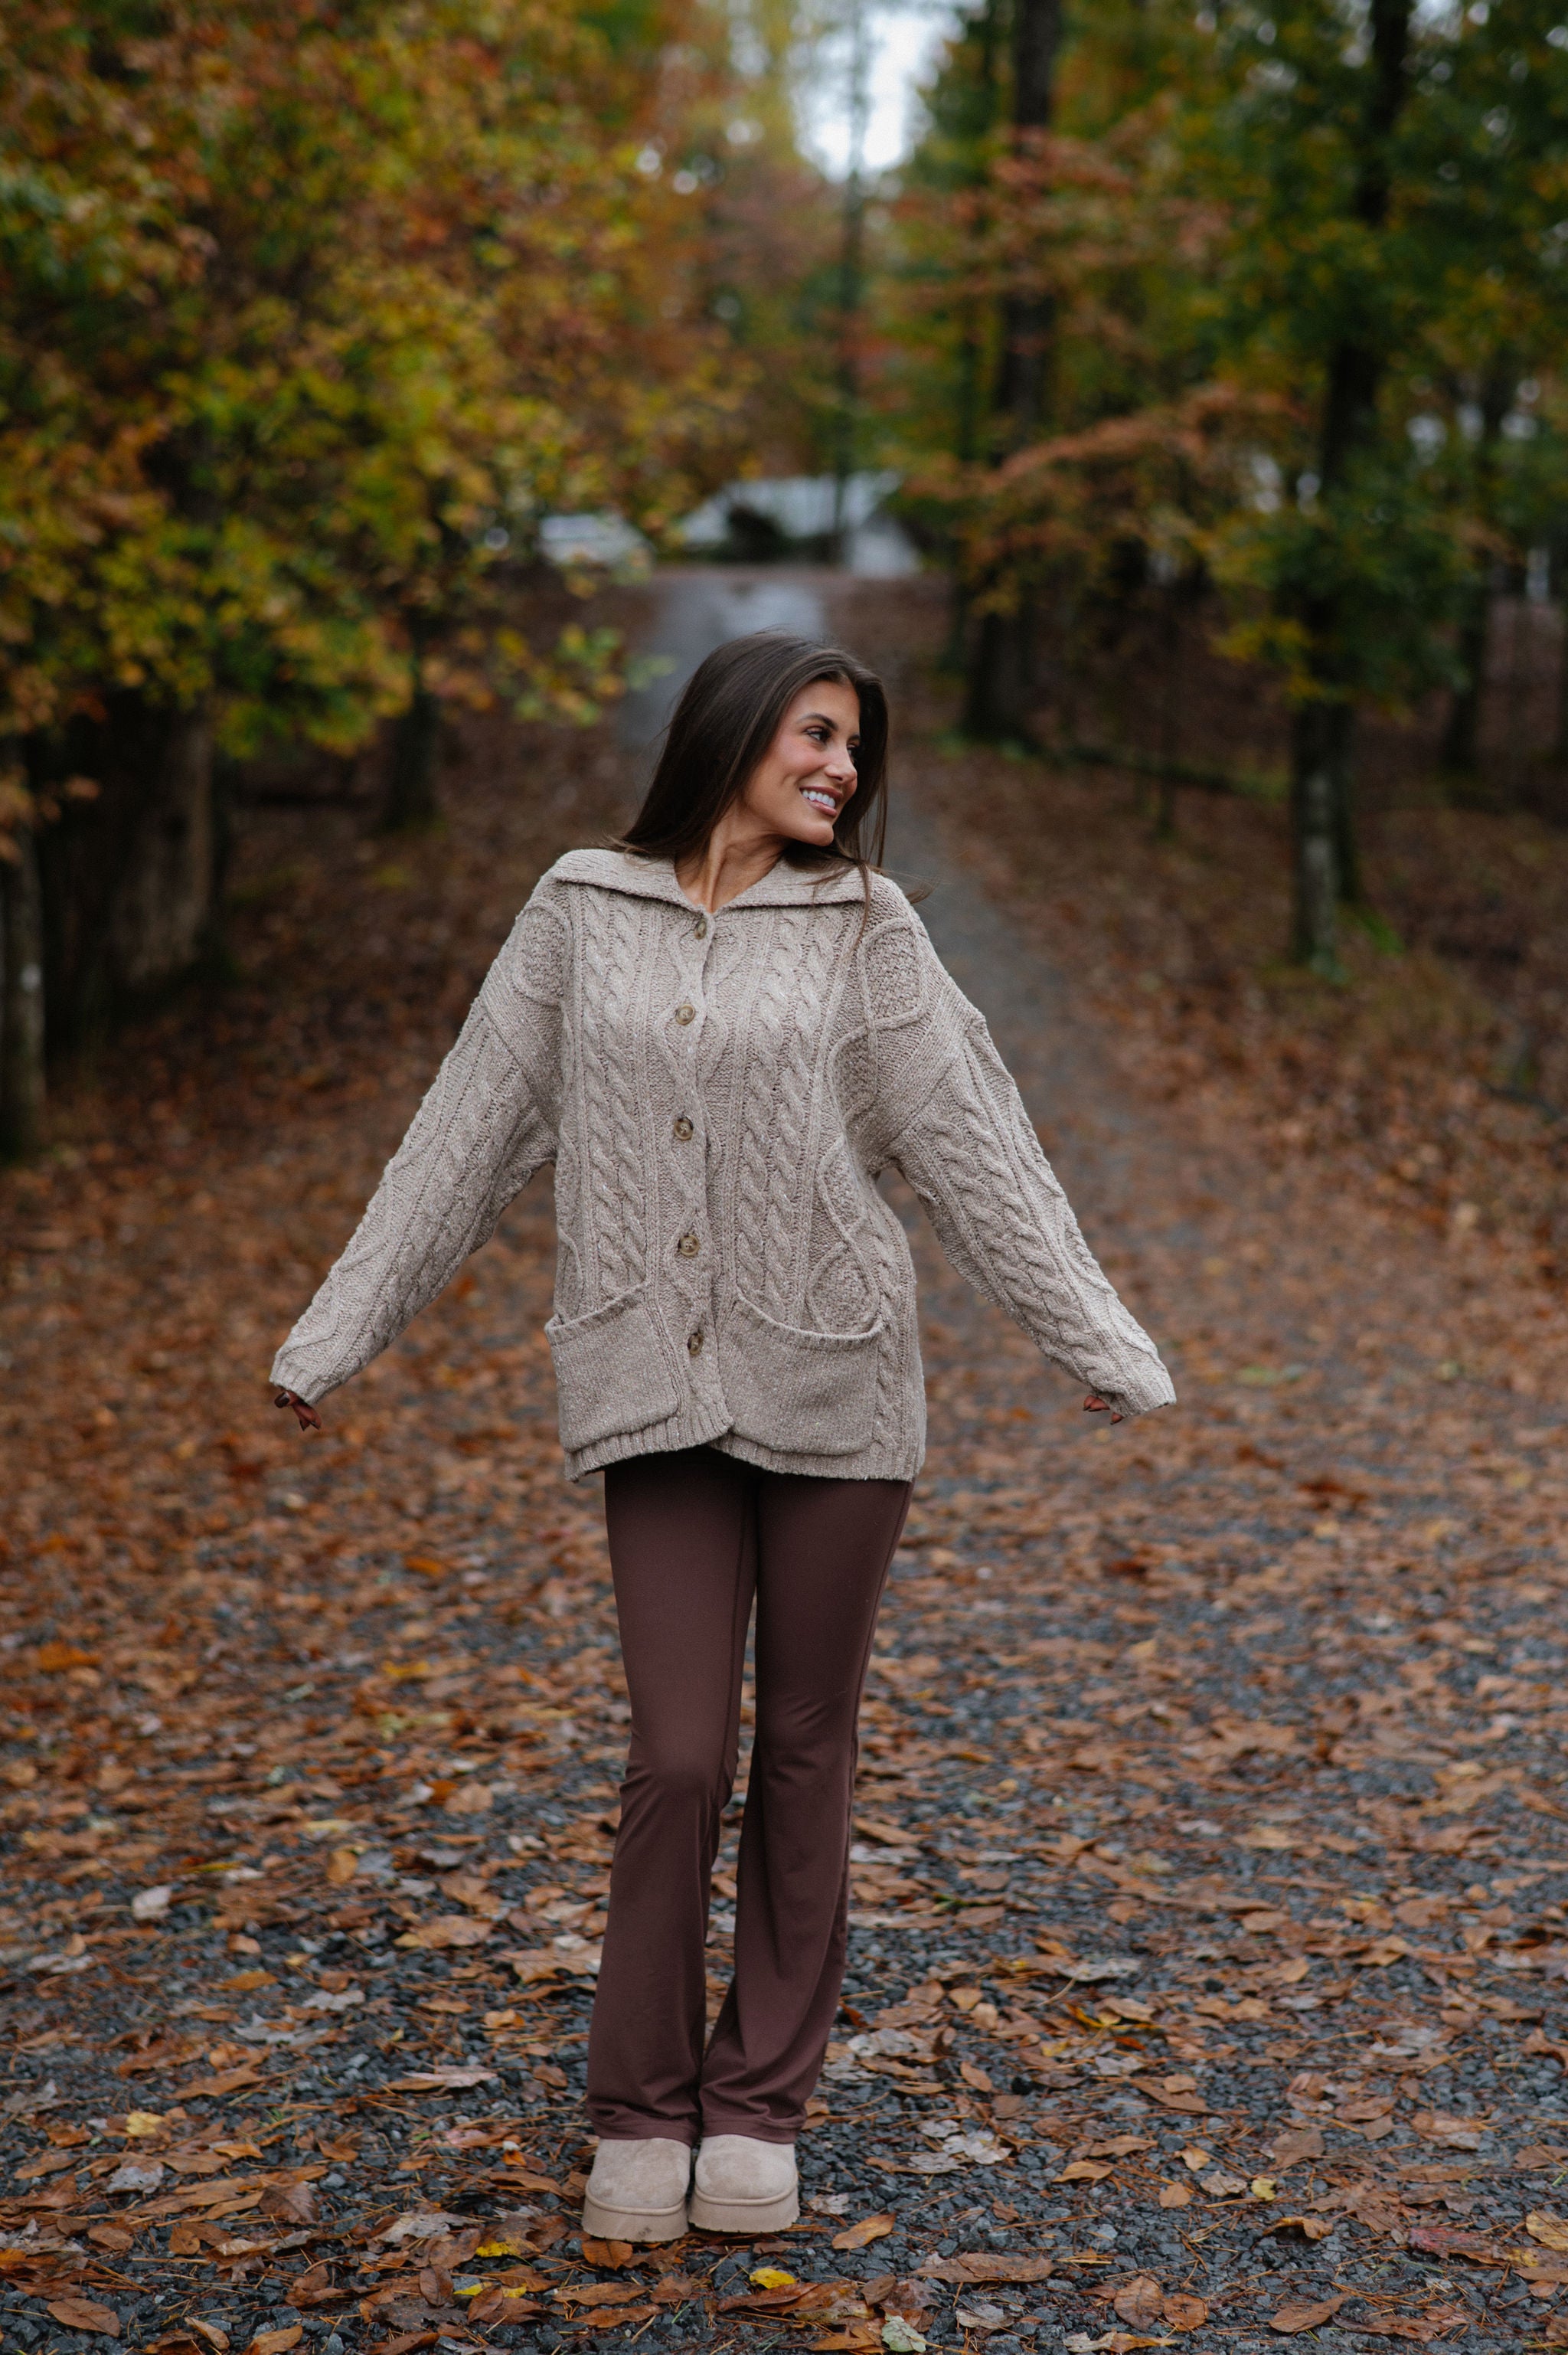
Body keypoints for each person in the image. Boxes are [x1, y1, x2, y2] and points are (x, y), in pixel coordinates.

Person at [271, 630, 1174, 2242]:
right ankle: (638, 2106)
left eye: (857, 748)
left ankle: (756, 2105)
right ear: (733, 730)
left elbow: (975, 1141)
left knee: (805, 1750)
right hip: (653, 1391)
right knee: (677, 1753)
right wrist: (332, 1335)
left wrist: (1092, 1336)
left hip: (838, 1390)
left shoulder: (866, 927)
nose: (840, 766)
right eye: (815, 734)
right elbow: (462, 1137)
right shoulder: (578, 910)